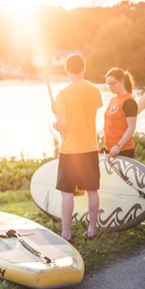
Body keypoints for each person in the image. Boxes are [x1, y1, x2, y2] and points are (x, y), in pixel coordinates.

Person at [52, 53, 102, 242]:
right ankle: (92, 230)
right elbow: (88, 113)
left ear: (66, 70)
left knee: (67, 193)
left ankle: (66, 233)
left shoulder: (62, 95)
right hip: (90, 147)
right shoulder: (95, 91)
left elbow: (62, 125)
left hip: (70, 150)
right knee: (92, 190)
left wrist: (55, 123)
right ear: (84, 68)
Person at [103, 68, 138, 158]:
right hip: (109, 149)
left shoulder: (129, 101)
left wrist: (118, 146)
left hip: (123, 150)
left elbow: (131, 127)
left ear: (122, 81)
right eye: (108, 84)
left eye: (113, 83)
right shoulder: (114, 99)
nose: (110, 87)